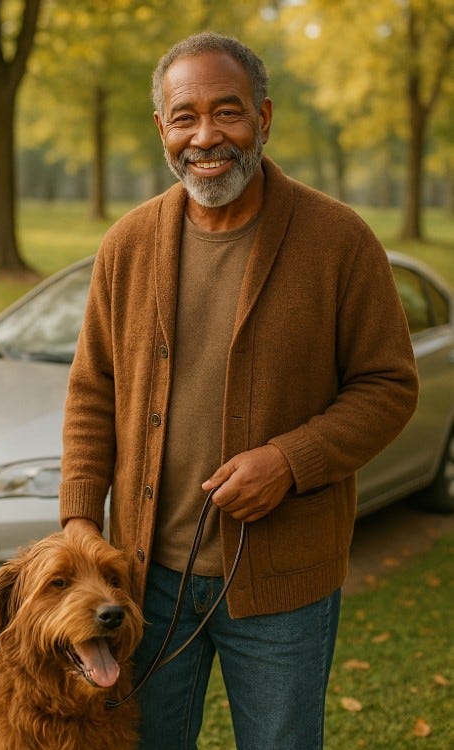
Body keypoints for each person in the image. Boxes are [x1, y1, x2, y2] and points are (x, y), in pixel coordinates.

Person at [60, 32, 418, 749]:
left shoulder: (340, 240)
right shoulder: (127, 245)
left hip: (283, 584)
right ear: (162, 128)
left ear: (264, 115)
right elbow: (92, 392)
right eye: (185, 117)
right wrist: (79, 518)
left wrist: (291, 461)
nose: (206, 137)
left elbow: (388, 386)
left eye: (227, 112)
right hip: (143, 579)